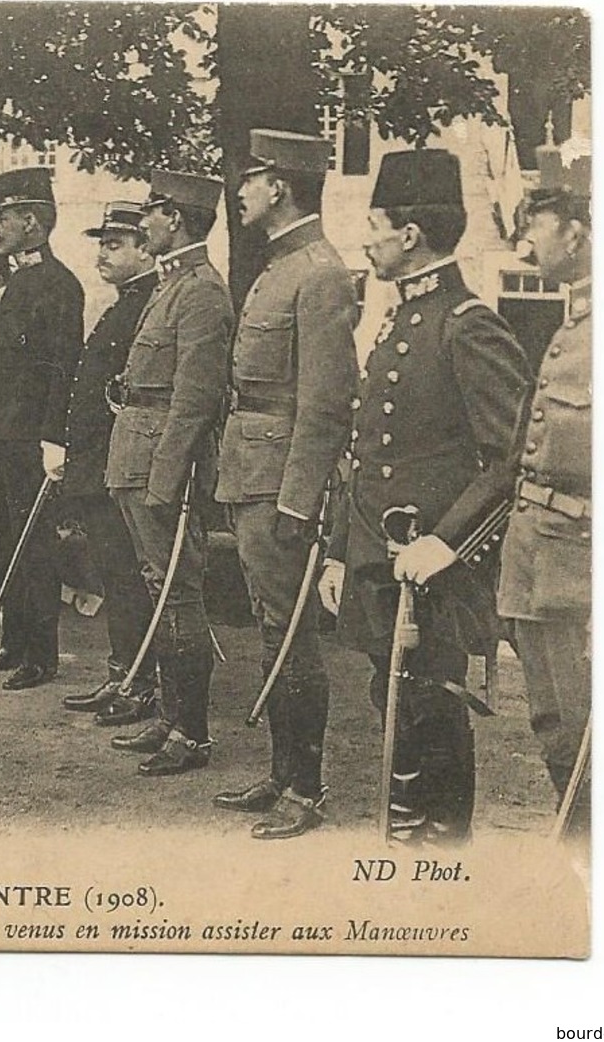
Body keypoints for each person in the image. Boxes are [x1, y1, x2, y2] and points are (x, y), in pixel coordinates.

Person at [318, 149, 530, 844]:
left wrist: (445, 543)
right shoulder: (397, 319)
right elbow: (370, 456)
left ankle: (439, 846)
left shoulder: (465, 323)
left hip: (434, 565)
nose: (365, 238)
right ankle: (406, 834)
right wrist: (342, 555)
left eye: (374, 223)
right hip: (382, 557)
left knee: (431, 703)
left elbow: (508, 461)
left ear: (409, 235)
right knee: (394, 695)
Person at [212, 129, 360, 838]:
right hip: (251, 469)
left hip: (279, 482)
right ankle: (280, 771)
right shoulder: (279, 266)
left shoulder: (320, 272)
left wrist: (298, 499)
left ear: (280, 186)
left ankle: (306, 788)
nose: (239, 190)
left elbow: (326, 403)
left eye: (250, 177)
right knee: (273, 629)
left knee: (291, 633)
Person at [101, 171, 234, 775]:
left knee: (177, 591)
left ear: (175, 218)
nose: (144, 222)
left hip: (160, 460)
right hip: (137, 450)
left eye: (151, 211)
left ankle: (193, 733)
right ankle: (171, 716)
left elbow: (196, 398)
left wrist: (167, 477)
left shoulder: (202, 291)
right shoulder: (171, 285)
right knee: (159, 586)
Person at [0, 167, 85, 690]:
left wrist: (54, 438)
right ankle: (14, 641)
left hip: (31, 439)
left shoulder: (59, 286)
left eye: (3, 217)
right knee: (5, 541)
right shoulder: (16, 285)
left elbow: (62, 367)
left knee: (35, 546)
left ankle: (41, 655)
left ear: (32, 221)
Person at [498, 142, 592, 833]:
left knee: (583, 723)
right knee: (551, 717)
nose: (524, 237)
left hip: (579, 555)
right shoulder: (572, 321)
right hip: (537, 544)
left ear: (576, 232)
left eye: (536, 222)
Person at [58, 204, 161, 722]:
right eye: (102, 242)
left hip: (123, 467)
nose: (102, 252)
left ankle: (141, 681)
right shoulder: (126, 304)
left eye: (115, 243)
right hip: (100, 466)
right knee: (115, 575)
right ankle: (125, 671)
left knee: (129, 577)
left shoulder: (150, 307)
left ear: (147, 249)